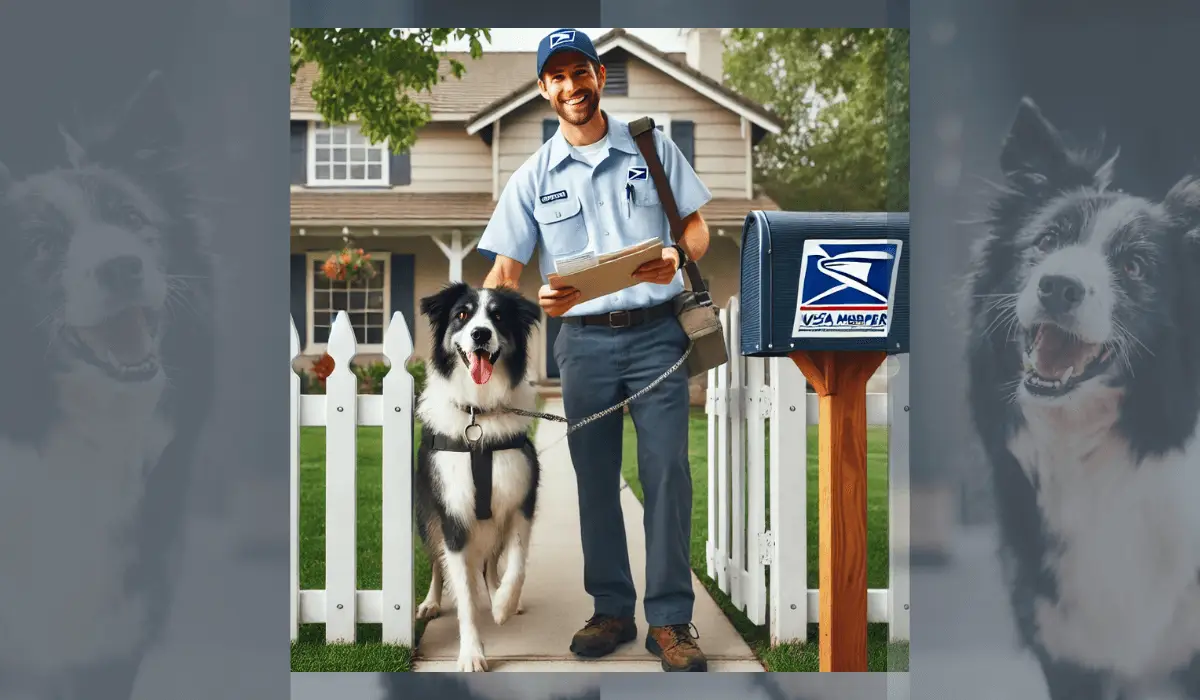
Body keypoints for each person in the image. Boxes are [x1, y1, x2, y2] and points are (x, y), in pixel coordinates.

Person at [477, 28, 713, 672]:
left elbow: (696, 225)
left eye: (579, 71)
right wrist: (495, 321)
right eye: (556, 77)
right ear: (543, 89)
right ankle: (611, 608)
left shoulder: (651, 146)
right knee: (595, 483)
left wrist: (676, 253)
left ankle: (670, 621)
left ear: (598, 76)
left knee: (667, 475)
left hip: (657, 337)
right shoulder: (533, 176)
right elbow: (505, 271)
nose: (570, 86)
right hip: (580, 346)